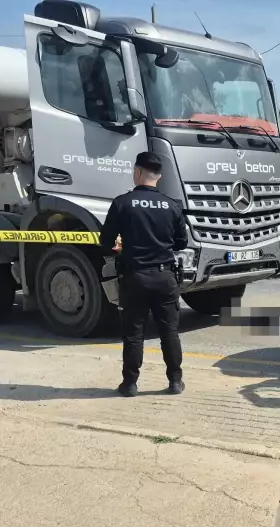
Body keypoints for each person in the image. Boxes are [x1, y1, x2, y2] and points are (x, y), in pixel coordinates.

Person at [100, 152, 187, 397]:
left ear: (137, 172)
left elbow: (105, 242)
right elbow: (181, 242)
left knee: (134, 334)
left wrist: (120, 247)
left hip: (134, 278)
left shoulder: (122, 203)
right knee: (169, 332)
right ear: (158, 176)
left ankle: (130, 384)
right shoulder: (172, 205)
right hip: (165, 277)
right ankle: (175, 381)